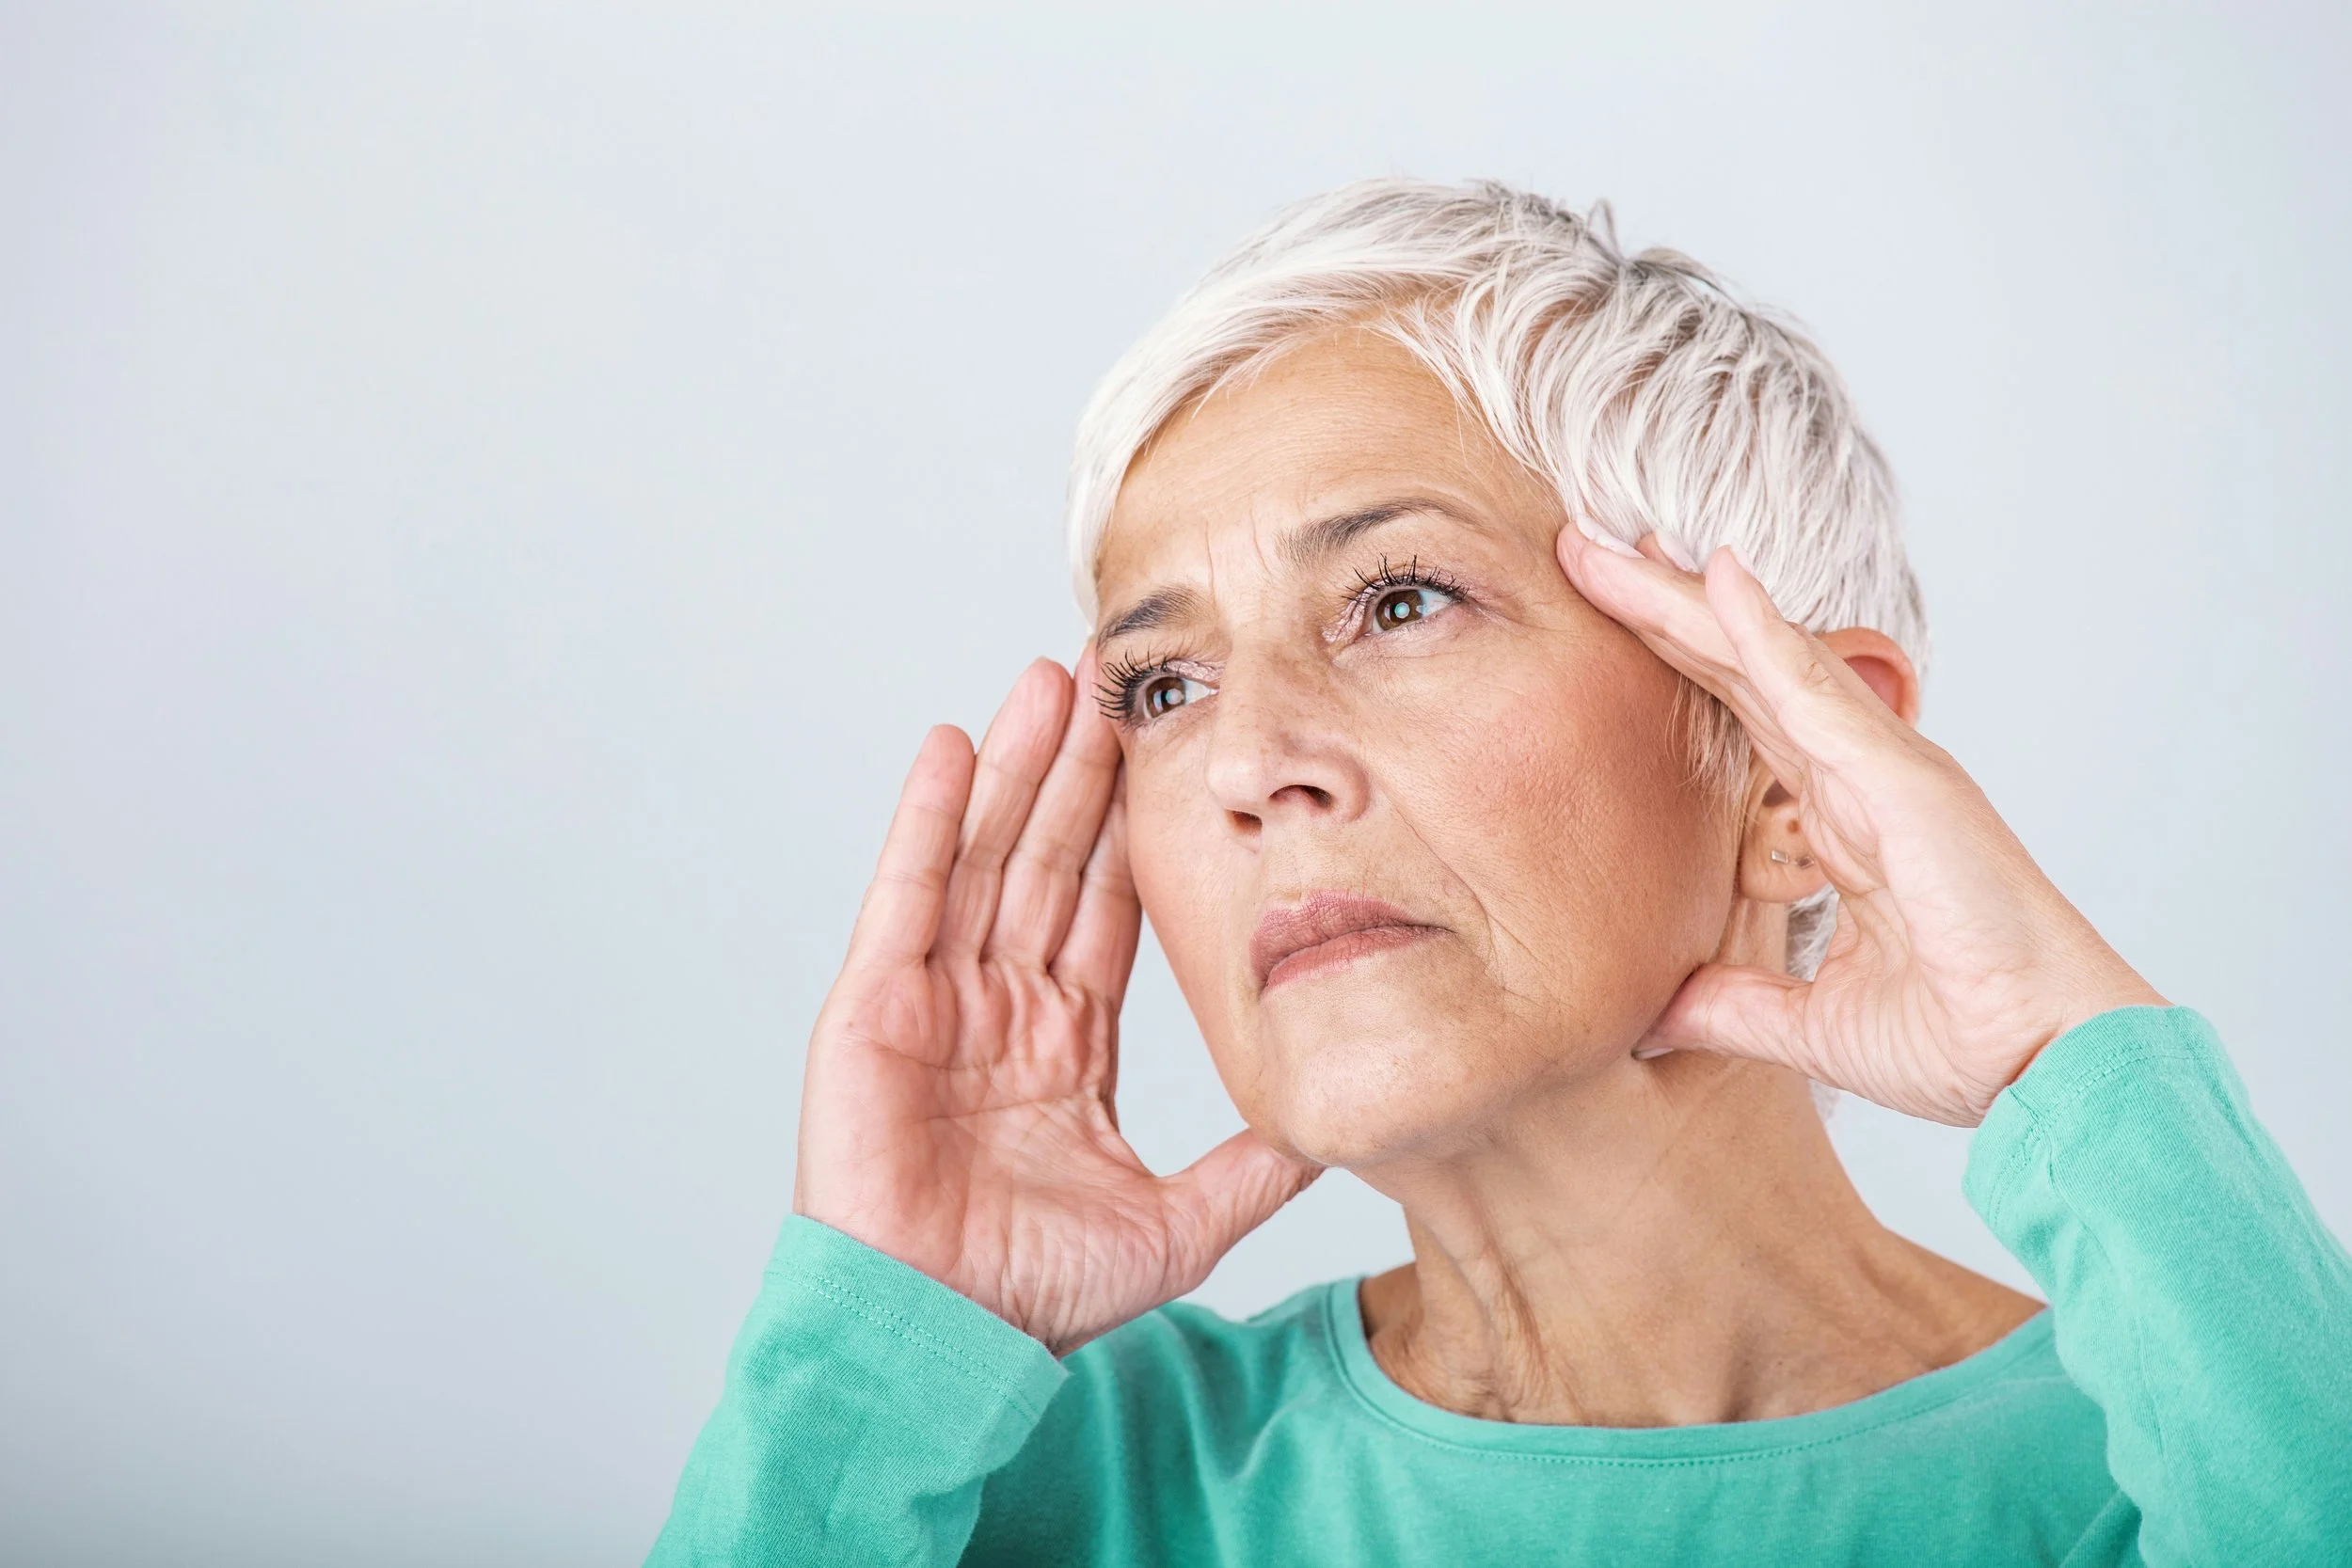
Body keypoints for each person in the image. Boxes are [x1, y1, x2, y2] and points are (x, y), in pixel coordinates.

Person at [645, 181, 2352, 1565]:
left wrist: (2082, 1065)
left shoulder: (2171, 1478)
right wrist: (869, 1368)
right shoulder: (1035, 1488)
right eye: (1166, 687)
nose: (1249, 764)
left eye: (1398, 600)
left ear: (1789, 766)